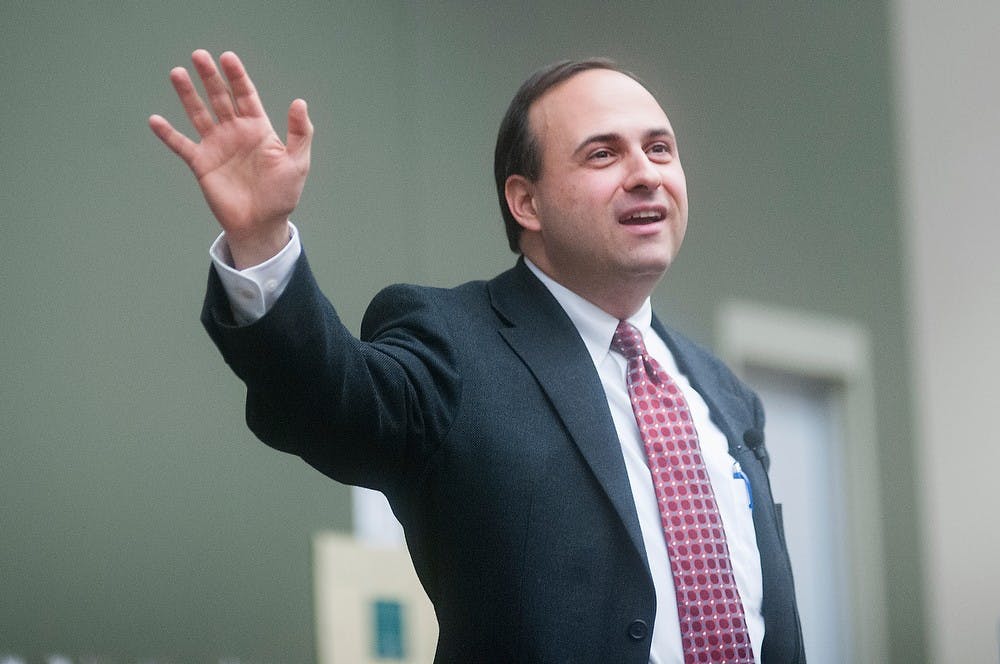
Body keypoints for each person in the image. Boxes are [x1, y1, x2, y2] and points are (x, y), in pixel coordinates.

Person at [150, 49, 805, 663]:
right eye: (602, 155)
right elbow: (325, 399)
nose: (645, 174)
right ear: (526, 202)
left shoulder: (723, 392)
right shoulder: (453, 342)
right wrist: (260, 236)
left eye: (659, 149)